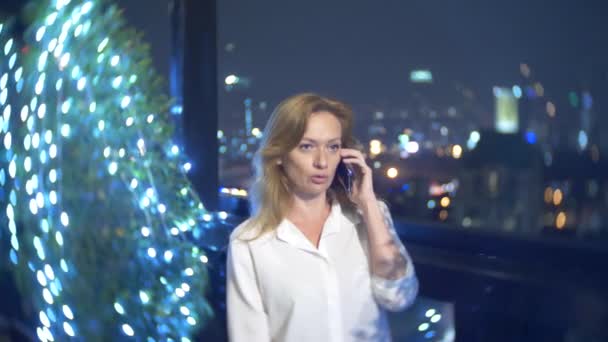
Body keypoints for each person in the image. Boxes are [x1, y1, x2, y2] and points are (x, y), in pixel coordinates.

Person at [226, 93, 418, 341]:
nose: (322, 162)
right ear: (280, 155)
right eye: (307, 146)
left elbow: (400, 297)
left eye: (333, 147)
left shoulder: (370, 217)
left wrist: (369, 203)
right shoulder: (249, 242)